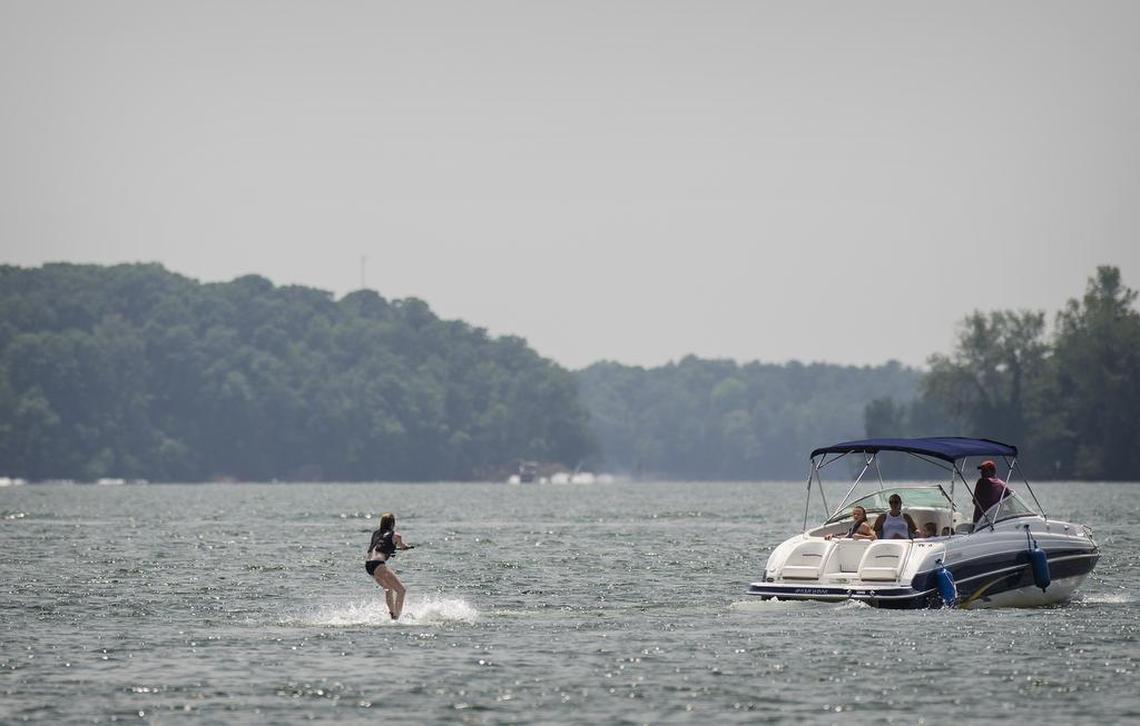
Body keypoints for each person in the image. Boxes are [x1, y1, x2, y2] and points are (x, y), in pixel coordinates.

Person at [365, 512, 413, 619]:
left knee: (388, 588)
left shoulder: (375, 533)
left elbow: (379, 546)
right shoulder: (396, 535)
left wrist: (390, 549)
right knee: (401, 590)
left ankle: (392, 614)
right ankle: (397, 617)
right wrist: (405, 547)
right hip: (378, 565)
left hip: (368, 565)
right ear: (393, 523)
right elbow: (402, 545)